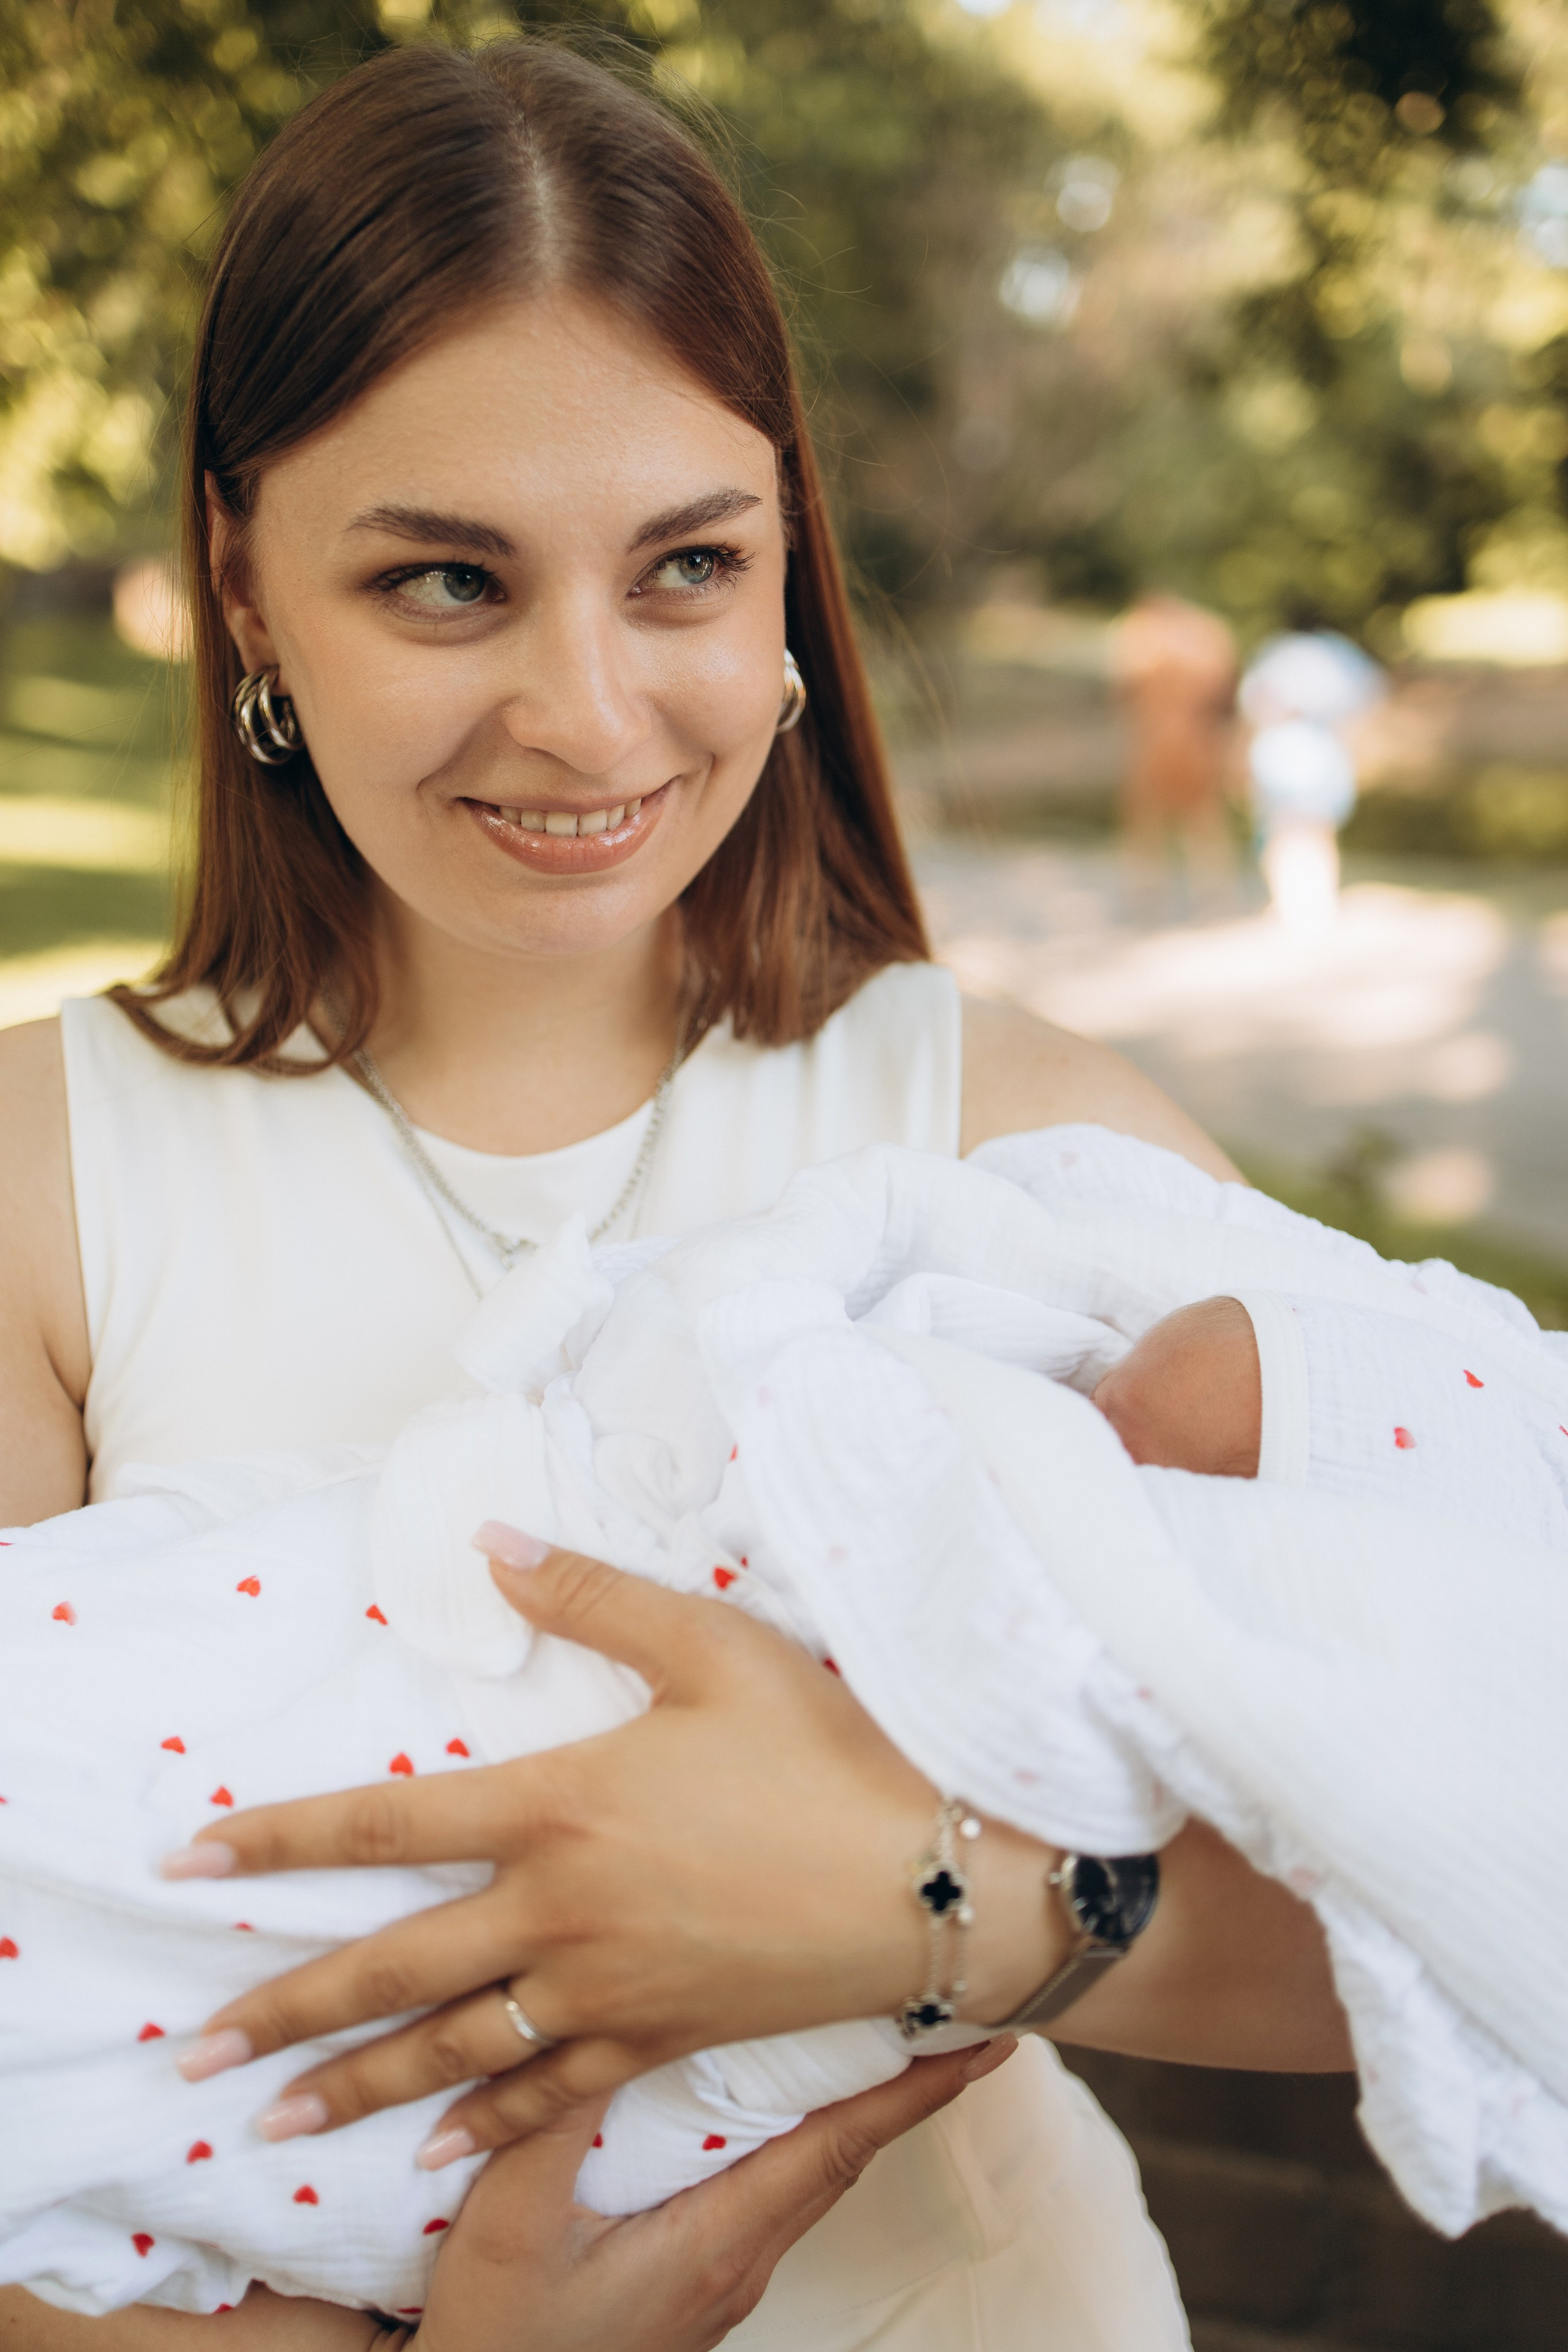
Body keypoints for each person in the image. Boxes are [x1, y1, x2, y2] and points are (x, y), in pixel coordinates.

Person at [0, 39, 1353, 2351]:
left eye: (682, 571)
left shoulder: (1021, 1150)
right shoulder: (41, 1188)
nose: (592, 716)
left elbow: (1449, 1862)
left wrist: (926, 1907)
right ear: (241, 580)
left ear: (781, 571)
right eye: (446, 580)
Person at [1238, 621, 1386, 939]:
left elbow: (1252, 703)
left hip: (1287, 754)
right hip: (1321, 753)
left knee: (1284, 833)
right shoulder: (1336, 655)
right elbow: (1369, 693)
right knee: (1316, 833)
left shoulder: (1276, 655)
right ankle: (1317, 904)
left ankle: (1292, 904)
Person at [1109, 592, 1238, 919]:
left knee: (1152, 819)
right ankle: (1210, 890)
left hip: (1155, 741)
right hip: (1196, 741)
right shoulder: (1208, 635)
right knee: (1201, 820)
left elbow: (1122, 690)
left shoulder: (1139, 638)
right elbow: (1225, 694)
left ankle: (1150, 890)